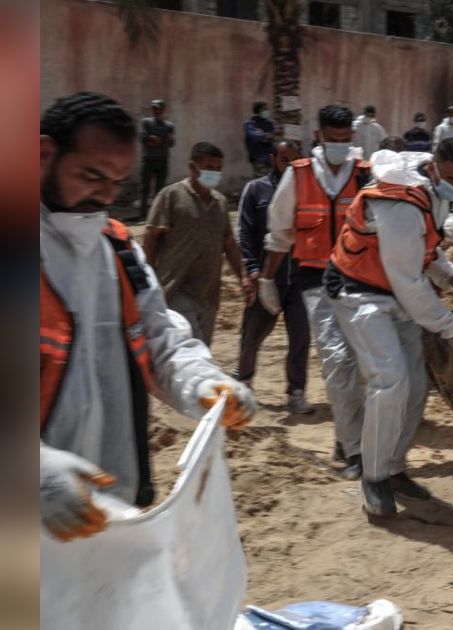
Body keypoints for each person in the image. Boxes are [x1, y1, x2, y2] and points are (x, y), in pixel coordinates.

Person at [39, 92, 256, 543]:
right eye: (92, 176)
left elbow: (160, 338)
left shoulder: (117, 251)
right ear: (42, 154)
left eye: (117, 182)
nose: (104, 195)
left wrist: (201, 382)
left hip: (107, 510)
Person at [325, 140, 453, 516]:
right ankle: (373, 476)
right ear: (435, 168)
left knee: (416, 384)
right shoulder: (401, 204)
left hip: (393, 289)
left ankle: (393, 466)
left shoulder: (428, 192)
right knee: (390, 381)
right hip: (360, 292)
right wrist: (450, 326)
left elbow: (424, 248)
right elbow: (408, 280)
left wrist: (452, 275)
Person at [261, 104, 374, 479]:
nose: (339, 146)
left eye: (345, 140)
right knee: (336, 362)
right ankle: (354, 451)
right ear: (319, 137)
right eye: (333, 140)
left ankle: (346, 435)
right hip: (315, 283)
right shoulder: (298, 175)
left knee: (361, 365)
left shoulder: (365, 176)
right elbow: (279, 234)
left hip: (360, 282)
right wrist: (266, 280)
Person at [235, 140, 314, 414]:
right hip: (266, 277)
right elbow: (244, 233)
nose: (289, 165)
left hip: (299, 280)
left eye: (294, 159)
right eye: (284, 159)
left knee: (301, 336)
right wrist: (253, 270)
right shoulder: (257, 190)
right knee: (252, 335)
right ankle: (243, 383)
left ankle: (296, 392)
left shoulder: (310, 191)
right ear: (273, 159)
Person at [142, 142, 245, 345]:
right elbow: (151, 235)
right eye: (209, 168)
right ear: (192, 167)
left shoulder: (220, 202)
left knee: (202, 351)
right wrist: (148, 277)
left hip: (208, 294)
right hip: (176, 289)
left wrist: (244, 277)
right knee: (191, 348)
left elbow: (228, 242)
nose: (214, 173)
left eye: (218, 168)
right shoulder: (171, 196)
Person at [138, 99, 174, 220]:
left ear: (163, 110)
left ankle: (157, 216)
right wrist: (153, 139)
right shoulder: (146, 122)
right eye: (154, 108)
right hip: (148, 160)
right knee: (145, 189)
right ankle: (143, 215)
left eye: (158, 108)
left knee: (160, 190)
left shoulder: (169, 126)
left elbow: (171, 142)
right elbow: (143, 138)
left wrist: (158, 140)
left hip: (162, 160)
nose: (156, 111)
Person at [244, 101, 276, 177]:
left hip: (270, 156)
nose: (267, 111)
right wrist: (265, 136)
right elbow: (254, 136)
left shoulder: (269, 123)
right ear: (258, 110)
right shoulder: (250, 123)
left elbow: (273, 136)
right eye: (264, 109)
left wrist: (265, 137)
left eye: (267, 109)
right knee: (261, 179)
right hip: (258, 157)